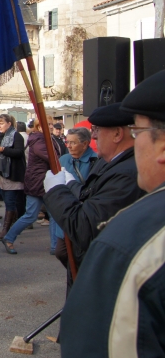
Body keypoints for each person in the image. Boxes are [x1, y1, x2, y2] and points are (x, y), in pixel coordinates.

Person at [59, 69, 165, 357]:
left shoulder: (131, 243)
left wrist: (58, 191)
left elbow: (93, 343)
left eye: (139, 131)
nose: (135, 141)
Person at [44, 105, 142, 293]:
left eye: (96, 130)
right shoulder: (107, 163)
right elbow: (88, 197)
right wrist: (70, 184)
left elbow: (84, 227)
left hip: (106, 279)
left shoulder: (126, 174)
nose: (93, 136)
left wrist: (56, 191)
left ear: (117, 134)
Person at [2, 116, 59, 254]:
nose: (51, 126)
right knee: (31, 215)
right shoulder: (39, 140)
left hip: (44, 181)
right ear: (40, 127)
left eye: (52, 124)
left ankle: (55, 246)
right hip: (39, 181)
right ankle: (8, 237)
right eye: (48, 124)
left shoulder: (45, 139)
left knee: (53, 215)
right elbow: (52, 157)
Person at [46, 127, 97, 257]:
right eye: (67, 142)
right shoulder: (63, 159)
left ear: (85, 144)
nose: (69, 146)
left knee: (80, 256)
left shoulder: (96, 161)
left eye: (73, 143)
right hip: (65, 212)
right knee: (61, 253)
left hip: (84, 214)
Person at [0, 114, 27, 239]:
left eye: (1, 123)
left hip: (13, 174)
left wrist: (2, 149)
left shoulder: (16, 135)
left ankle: (6, 230)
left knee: (10, 202)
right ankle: (12, 227)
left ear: (9, 124)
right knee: (8, 201)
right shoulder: (0, 136)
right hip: (3, 173)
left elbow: (19, 152)